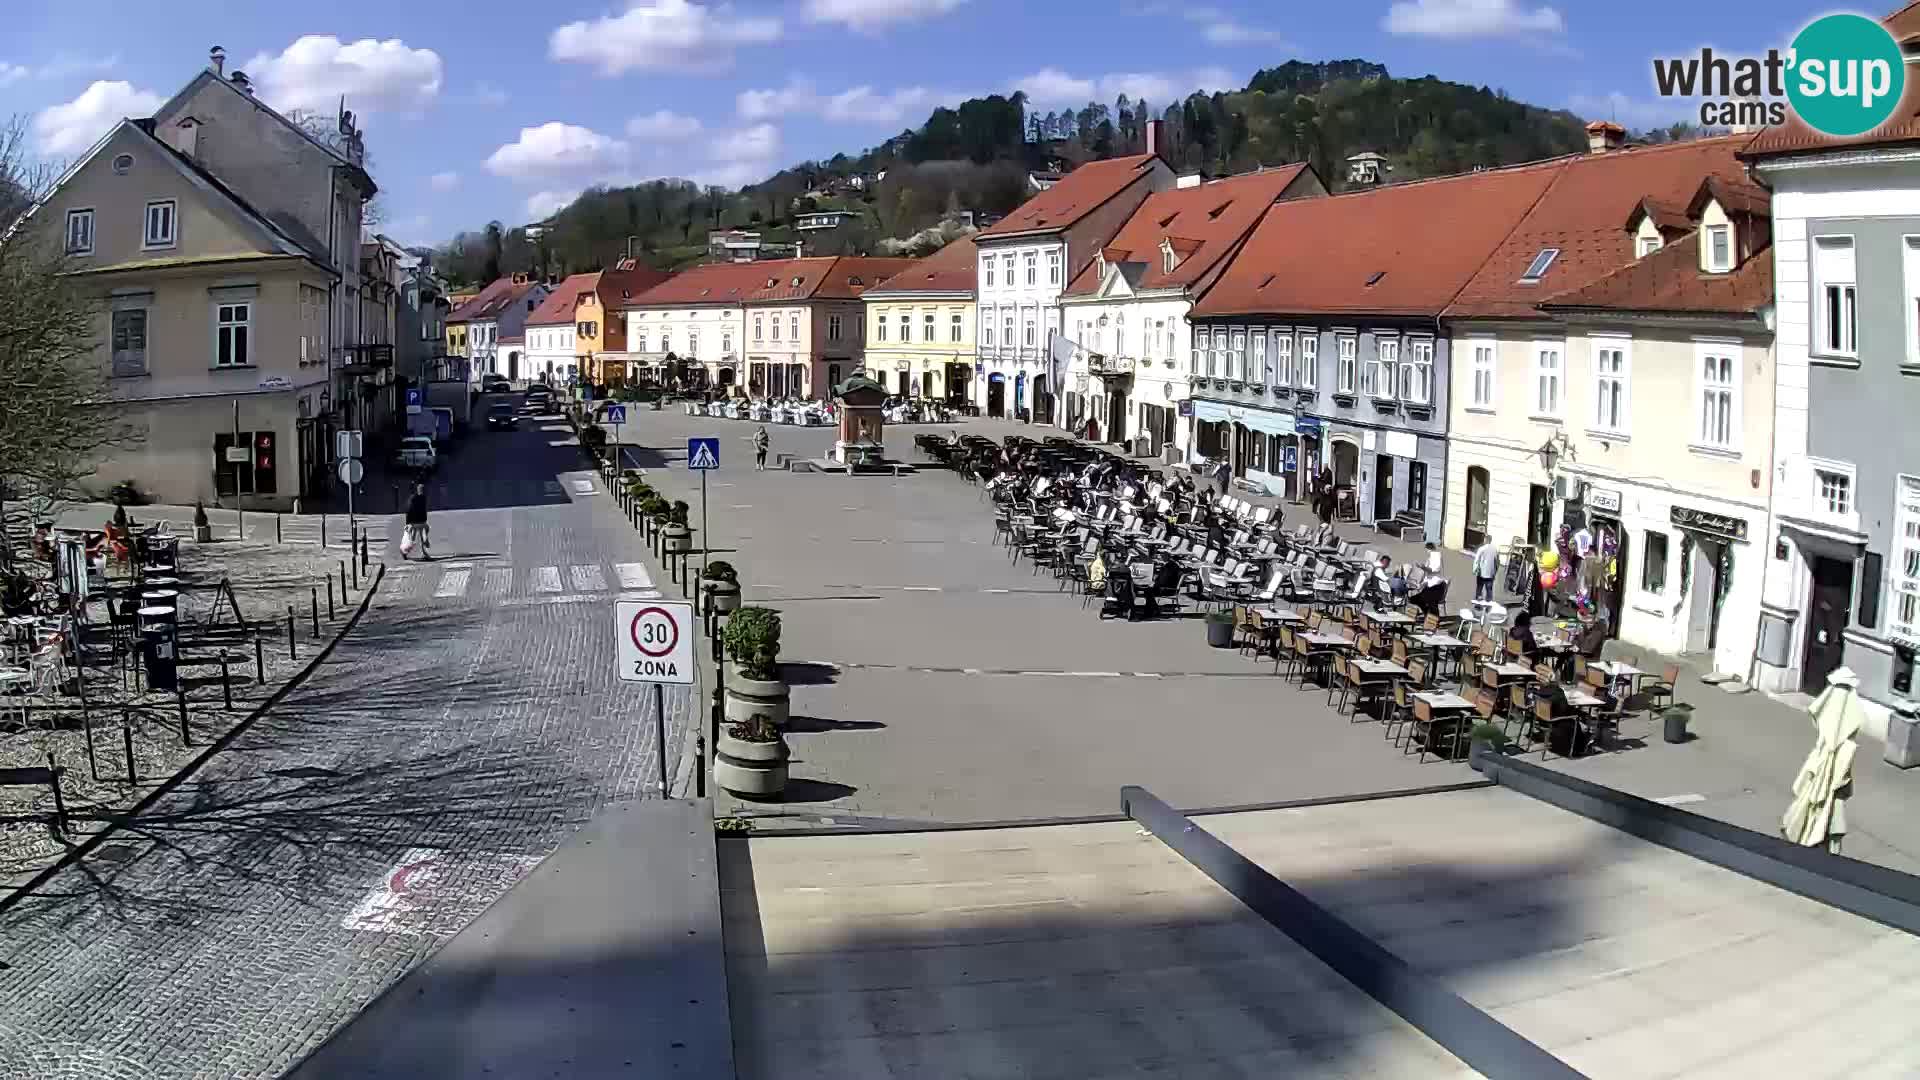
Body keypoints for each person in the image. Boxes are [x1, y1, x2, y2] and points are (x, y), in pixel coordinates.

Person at [403, 483, 431, 561]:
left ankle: (405, 552)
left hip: (414, 522)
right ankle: (425, 550)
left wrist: (407, 523)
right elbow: (424, 511)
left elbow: (408, 510)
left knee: (412, 539)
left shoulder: (412, 498)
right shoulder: (423, 498)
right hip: (421, 522)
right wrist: (425, 520)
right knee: (423, 535)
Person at [1472, 538, 1499, 604]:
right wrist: (1495, 571)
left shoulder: (1481, 549)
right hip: (1490, 573)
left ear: (1485, 540)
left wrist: (1475, 570)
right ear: (1490, 540)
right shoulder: (1495, 549)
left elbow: (1477, 560)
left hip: (1481, 572)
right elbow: (1497, 561)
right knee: (1489, 589)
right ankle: (1489, 602)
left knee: (1479, 587)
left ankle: (1478, 601)